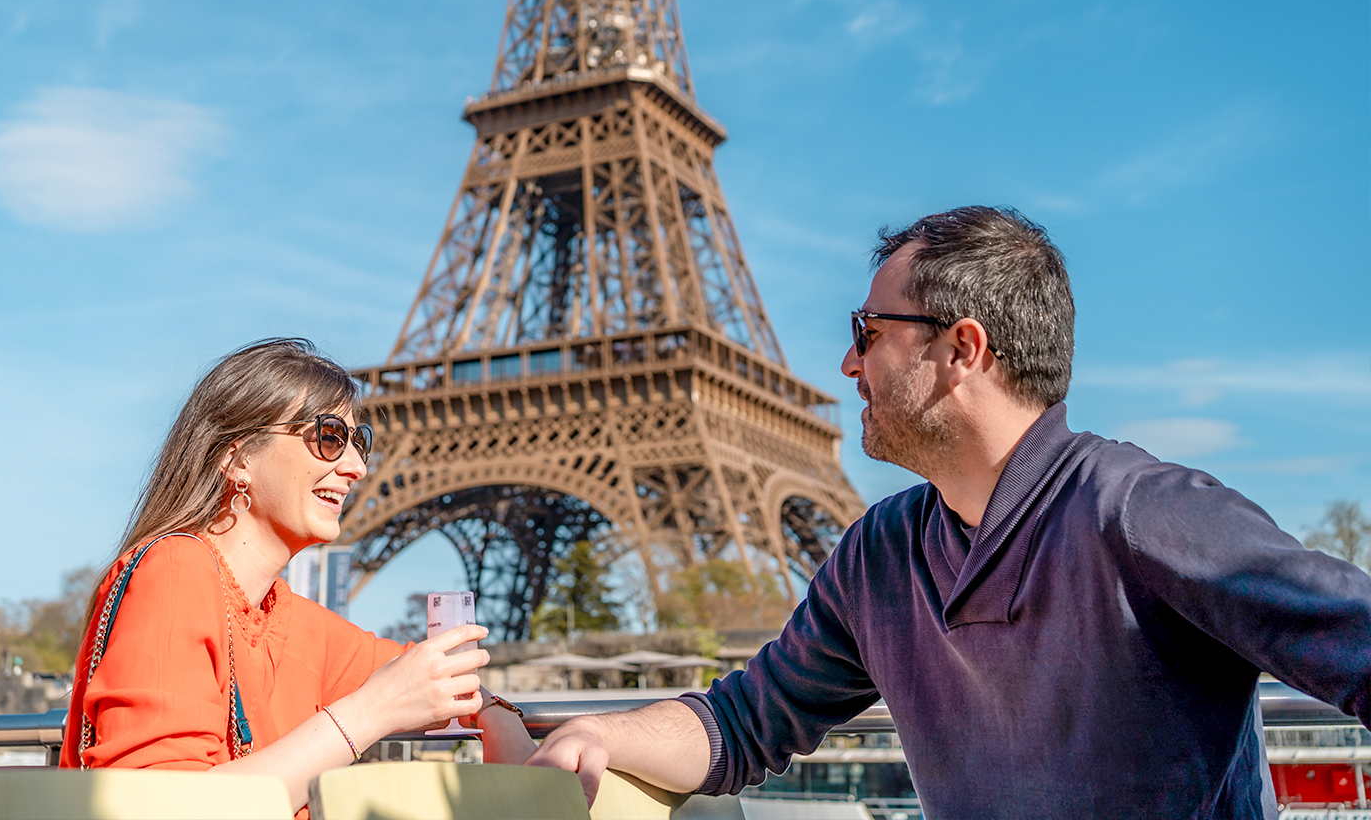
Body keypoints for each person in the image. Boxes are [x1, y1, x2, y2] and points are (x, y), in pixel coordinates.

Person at [527, 206, 1371, 819]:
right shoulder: (880, 553)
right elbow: (746, 722)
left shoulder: (1144, 513)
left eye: (868, 330)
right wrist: (599, 733)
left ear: (962, 350)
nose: (847, 362)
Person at [60, 338, 535, 815]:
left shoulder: (286, 618)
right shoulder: (174, 572)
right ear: (239, 456)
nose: (356, 467)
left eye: (359, 442)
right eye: (329, 437)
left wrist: (497, 716)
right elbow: (162, 808)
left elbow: (430, 676)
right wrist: (370, 712)